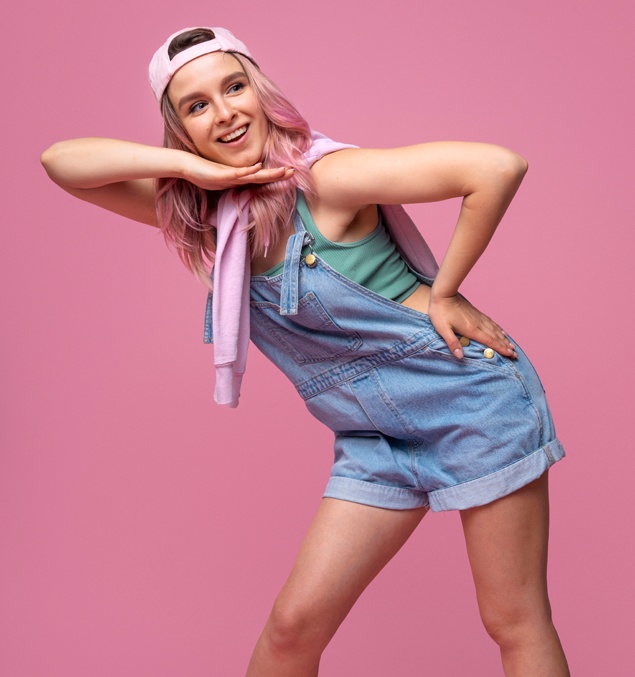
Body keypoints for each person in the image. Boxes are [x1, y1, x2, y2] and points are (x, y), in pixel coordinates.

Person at [41, 26, 569, 677]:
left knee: (512, 620)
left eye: (234, 87)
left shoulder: (325, 178)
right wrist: (188, 168)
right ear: (180, 129)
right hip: (372, 435)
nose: (225, 112)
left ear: (260, 91)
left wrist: (446, 290)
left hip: (468, 400)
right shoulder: (211, 217)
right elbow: (61, 162)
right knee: (292, 631)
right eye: (197, 105)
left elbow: (495, 167)